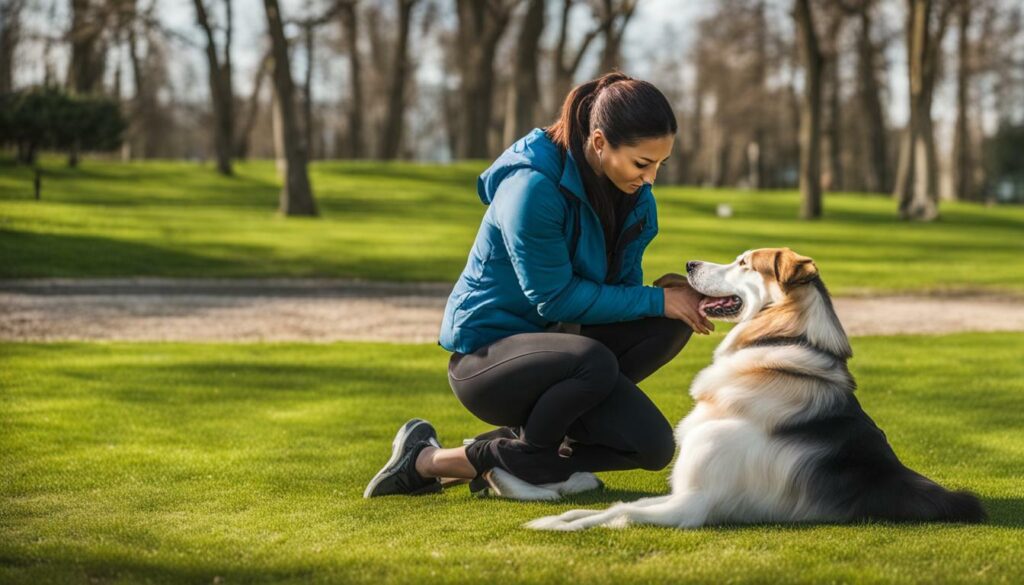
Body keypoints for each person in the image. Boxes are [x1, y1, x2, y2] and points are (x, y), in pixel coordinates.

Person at [364, 72, 714, 499]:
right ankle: (446, 461)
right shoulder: (531, 187)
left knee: (654, 443)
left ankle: (469, 460)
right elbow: (554, 299)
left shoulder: (637, 199)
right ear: (600, 142)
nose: (652, 178)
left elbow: (619, 294)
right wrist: (657, 299)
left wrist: (666, 296)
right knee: (598, 359)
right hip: (488, 361)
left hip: (568, 356)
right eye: (643, 163)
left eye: (660, 164)